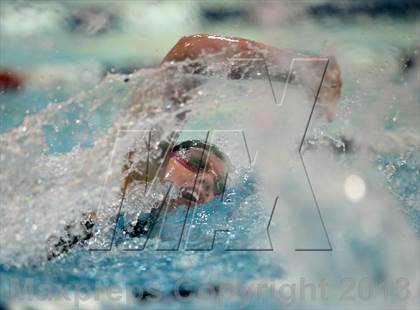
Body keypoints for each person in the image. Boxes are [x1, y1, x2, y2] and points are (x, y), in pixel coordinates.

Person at [47, 34, 342, 258]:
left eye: (217, 187)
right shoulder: (133, 187)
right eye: (197, 163)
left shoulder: (157, 235)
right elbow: (189, 55)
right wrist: (304, 72)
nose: (205, 182)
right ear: (166, 157)